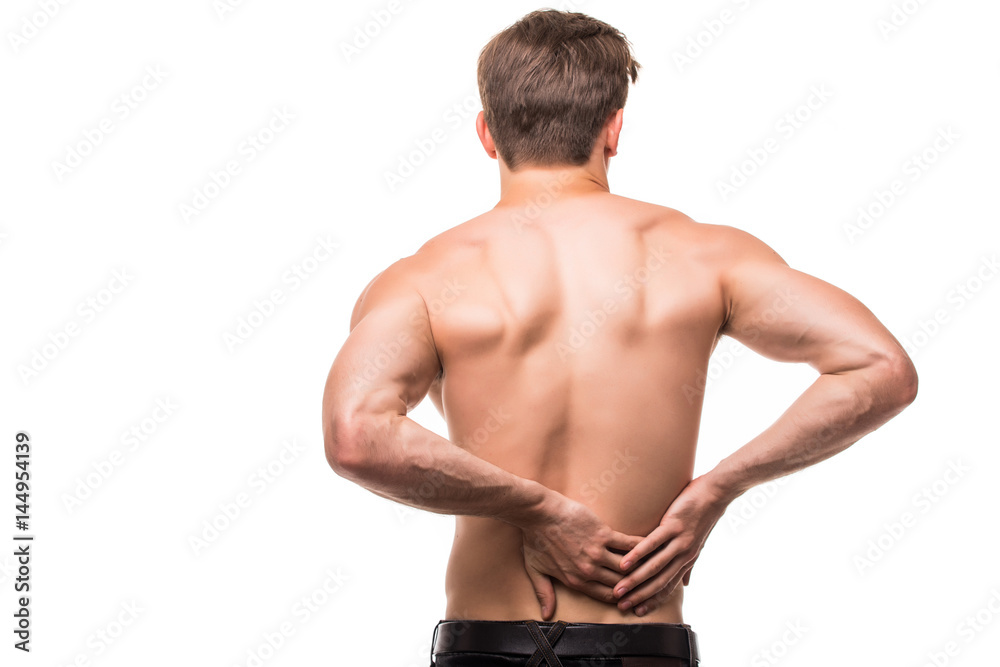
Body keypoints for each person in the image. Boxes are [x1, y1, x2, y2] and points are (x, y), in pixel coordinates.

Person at [321, 9, 918, 667]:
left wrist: (536, 508)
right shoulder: (702, 256)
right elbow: (880, 367)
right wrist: (718, 486)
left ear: (488, 133)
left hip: (489, 644)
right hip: (640, 646)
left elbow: (358, 433)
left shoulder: (427, 277)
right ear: (614, 127)